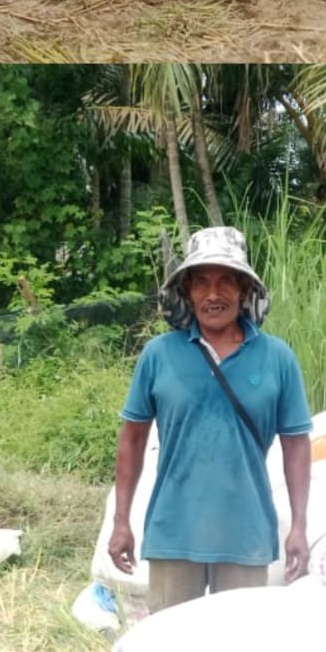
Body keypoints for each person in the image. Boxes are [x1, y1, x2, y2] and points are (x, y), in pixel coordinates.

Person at [109, 226, 313, 611]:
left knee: (237, 645)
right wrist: (122, 521)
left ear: (244, 288)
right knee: (170, 642)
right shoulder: (159, 355)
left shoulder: (277, 358)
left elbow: (297, 446)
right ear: (187, 291)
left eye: (225, 282)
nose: (213, 294)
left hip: (245, 537)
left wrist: (299, 526)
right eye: (201, 282)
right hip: (173, 534)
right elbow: (132, 439)